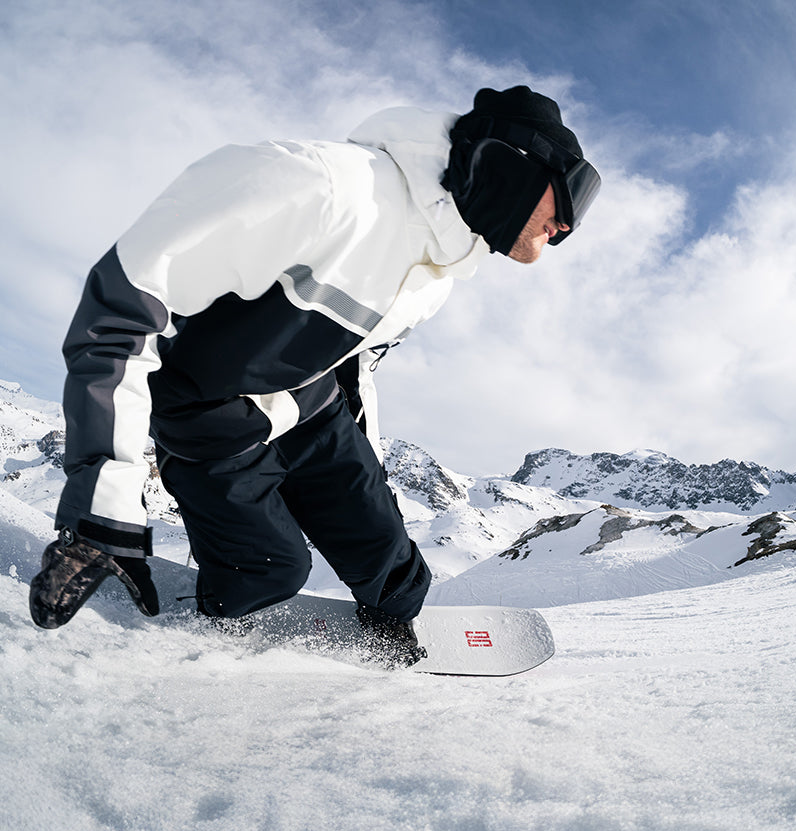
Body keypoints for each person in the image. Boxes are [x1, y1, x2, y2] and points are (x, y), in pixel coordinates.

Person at [29, 86, 600, 666]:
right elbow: (116, 314)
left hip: (314, 408)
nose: (568, 227)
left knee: (394, 568)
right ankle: (211, 630)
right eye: (573, 195)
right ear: (513, 166)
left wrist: (366, 475)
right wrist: (102, 514)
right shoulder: (317, 186)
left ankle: (390, 631)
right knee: (271, 568)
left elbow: (356, 364)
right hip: (211, 418)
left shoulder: (439, 271)